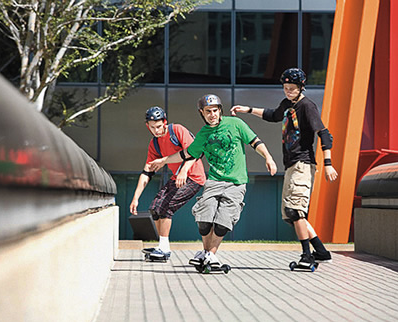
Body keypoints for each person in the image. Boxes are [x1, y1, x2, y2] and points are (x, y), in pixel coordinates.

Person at [149, 94, 277, 269]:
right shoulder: (203, 134)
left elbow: (255, 141)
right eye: (208, 111)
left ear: (220, 110)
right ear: (202, 113)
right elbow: (187, 154)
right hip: (214, 181)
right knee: (204, 219)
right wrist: (164, 160)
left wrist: (268, 158)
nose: (212, 114)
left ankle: (210, 254)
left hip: (236, 182)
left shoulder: (235, 124)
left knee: (223, 222)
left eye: (215, 110)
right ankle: (206, 253)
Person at [231, 67, 338, 268]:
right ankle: (321, 251)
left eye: (292, 89)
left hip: (303, 164)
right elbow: (273, 115)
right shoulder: (288, 104)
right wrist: (248, 109)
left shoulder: (307, 106)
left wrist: (329, 164)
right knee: (290, 215)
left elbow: (324, 134)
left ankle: (307, 256)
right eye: (285, 88)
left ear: (300, 87)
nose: (288, 92)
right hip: (291, 165)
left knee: (296, 211)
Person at [130, 106, 206, 261]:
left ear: (165, 122)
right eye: (152, 128)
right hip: (176, 178)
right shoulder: (155, 144)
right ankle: (162, 246)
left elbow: (195, 151)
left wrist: (184, 171)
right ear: (148, 126)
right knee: (155, 209)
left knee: (166, 208)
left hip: (194, 177)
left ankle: (164, 249)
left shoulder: (177, 130)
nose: (156, 130)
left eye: (159, 126)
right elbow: (147, 172)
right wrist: (136, 198)